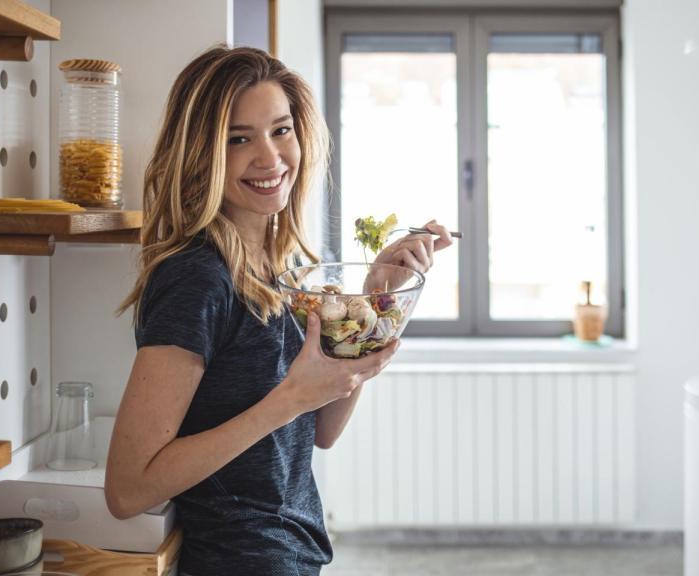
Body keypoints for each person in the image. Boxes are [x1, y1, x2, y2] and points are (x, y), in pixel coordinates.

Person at [104, 45, 453, 575]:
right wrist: (289, 398)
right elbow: (128, 488)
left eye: (281, 130)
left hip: (293, 552)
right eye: (238, 139)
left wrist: (378, 297)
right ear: (200, 152)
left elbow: (322, 429)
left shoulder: (283, 264)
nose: (270, 159)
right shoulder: (197, 277)